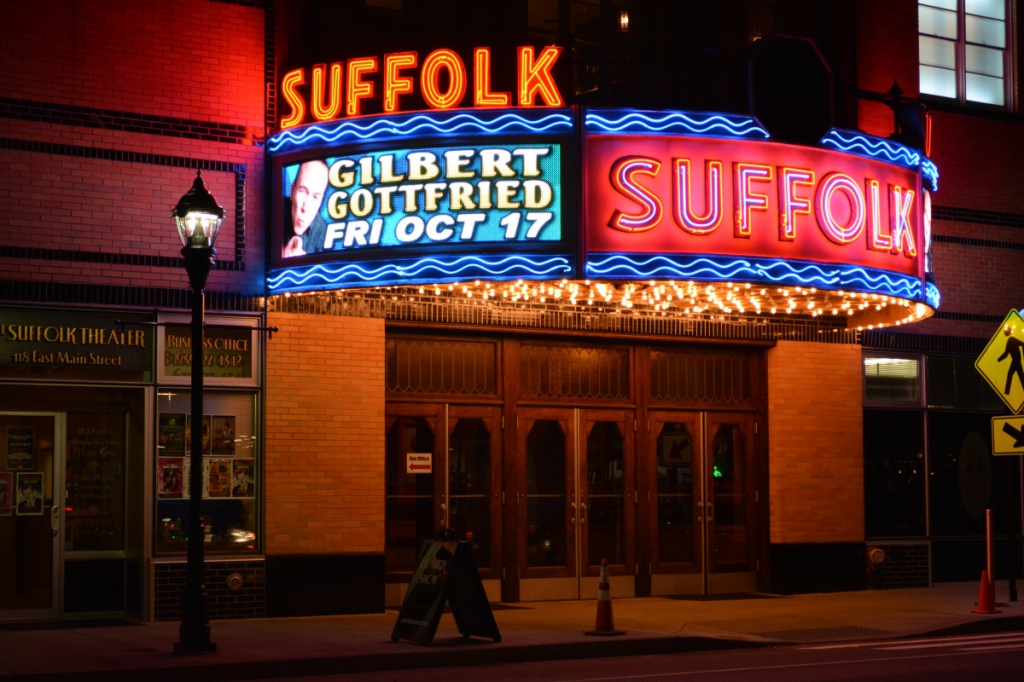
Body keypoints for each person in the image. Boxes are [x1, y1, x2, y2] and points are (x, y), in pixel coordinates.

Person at [283, 160, 329, 257]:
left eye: (315, 197)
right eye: (303, 191)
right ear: (292, 191)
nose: (306, 207)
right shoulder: (271, 212)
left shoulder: (321, 229)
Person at [998, 325, 1024, 396]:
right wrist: (998, 360)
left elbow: (1022, 344)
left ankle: (1007, 392)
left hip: (1016, 361)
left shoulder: (1012, 339)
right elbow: (1006, 354)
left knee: (1011, 375)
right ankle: (1007, 392)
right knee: (1020, 376)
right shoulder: (1010, 340)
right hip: (1016, 361)